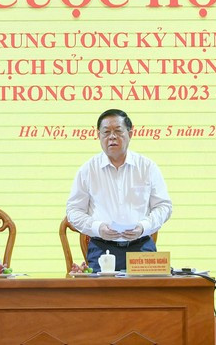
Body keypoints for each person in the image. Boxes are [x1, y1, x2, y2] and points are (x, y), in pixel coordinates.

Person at [66, 109, 172, 271]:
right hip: (102, 249)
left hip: (141, 246)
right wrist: (97, 227)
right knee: (102, 296)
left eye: (118, 131)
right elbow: (73, 211)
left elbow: (164, 207)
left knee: (148, 296)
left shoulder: (147, 167)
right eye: (106, 132)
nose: (112, 137)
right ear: (98, 136)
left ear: (130, 134)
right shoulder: (88, 170)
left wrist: (144, 226)